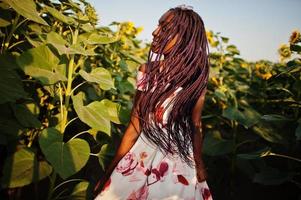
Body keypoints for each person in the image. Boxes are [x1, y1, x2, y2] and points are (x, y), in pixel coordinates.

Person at [93, 4, 213, 200]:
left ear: (184, 38)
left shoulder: (197, 78)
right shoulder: (148, 71)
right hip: (144, 153)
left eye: (165, 29)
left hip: (178, 163)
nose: (155, 32)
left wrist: (199, 164)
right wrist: (109, 173)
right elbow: (136, 122)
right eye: (158, 25)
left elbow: (195, 124)